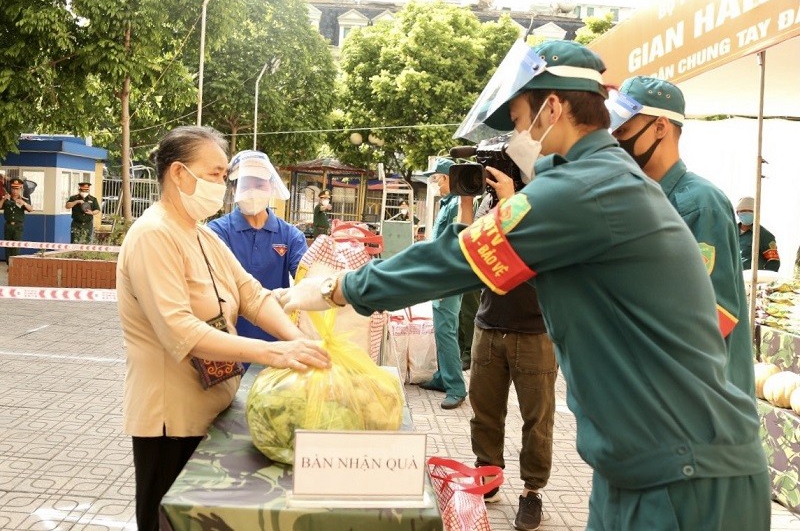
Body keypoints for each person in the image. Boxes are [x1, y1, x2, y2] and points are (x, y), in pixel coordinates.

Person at [277, 40, 770, 530]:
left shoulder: (590, 188)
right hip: (640, 463)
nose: (516, 133)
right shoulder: (593, 179)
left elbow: (456, 258)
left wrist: (338, 288)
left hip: (684, 473)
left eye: (517, 119)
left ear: (552, 108)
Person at [116, 126, 330, 531]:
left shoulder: (200, 235)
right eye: (214, 174)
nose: (223, 186)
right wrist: (272, 353)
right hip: (171, 419)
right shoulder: (152, 235)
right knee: (166, 520)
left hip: (211, 406)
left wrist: (301, 340)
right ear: (179, 174)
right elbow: (181, 329)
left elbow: (253, 295)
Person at [612, 76, 755, 398]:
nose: (614, 140)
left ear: (660, 127)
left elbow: (714, 315)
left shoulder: (700, 203)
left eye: (622, 130)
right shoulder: (641, 198)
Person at [467, 170, 557, 530]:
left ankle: (532, 491)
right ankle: (488, 477)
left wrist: (510, 202)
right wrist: (466, 198)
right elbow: (468, 249)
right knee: (484, 412)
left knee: (537, 419)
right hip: (489, 325)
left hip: (535, 331)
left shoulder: (548, 202)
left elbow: (539, 253)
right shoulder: (490, 203)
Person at [207, 150, 308, 361]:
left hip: (278, 342)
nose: (253, 191)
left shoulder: (290, 235)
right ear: (234, 189)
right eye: (246, 184)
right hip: (229, 343)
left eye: (260, 184)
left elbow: (306, 279)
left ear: (271, 186)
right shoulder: (217, 231)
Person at [416, 158, 468, 410]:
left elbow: (454, 242)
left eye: (436, 179)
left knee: (446, 329)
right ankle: (442, 377)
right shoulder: (448, 203)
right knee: (442, 327)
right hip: (441, 274)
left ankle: (456, 386)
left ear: (447, 178)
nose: (435, 184)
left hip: (448, 276)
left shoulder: (458, 204)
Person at [736, 196, 780, 271]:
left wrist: (763, 279)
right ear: (737, 213)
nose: (746, 213)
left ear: (756, 213)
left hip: (750, 280)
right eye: (743, 211)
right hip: (731, 278)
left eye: (750, 211)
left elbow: (773, 262)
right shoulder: (731, 232)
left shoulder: (764, 235)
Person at [2, 178, 34, 262]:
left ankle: (14, 264)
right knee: (7, 246)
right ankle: (9, 264)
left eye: (17, 189)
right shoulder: (7, 199)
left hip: (18, 227)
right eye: (13, 188)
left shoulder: (24, 199)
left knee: (16, 246)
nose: (15, 191)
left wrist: (24, 203)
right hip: (8, 226)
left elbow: (30, 209)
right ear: (11, 189)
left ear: (20, 189)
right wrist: (3, 199)